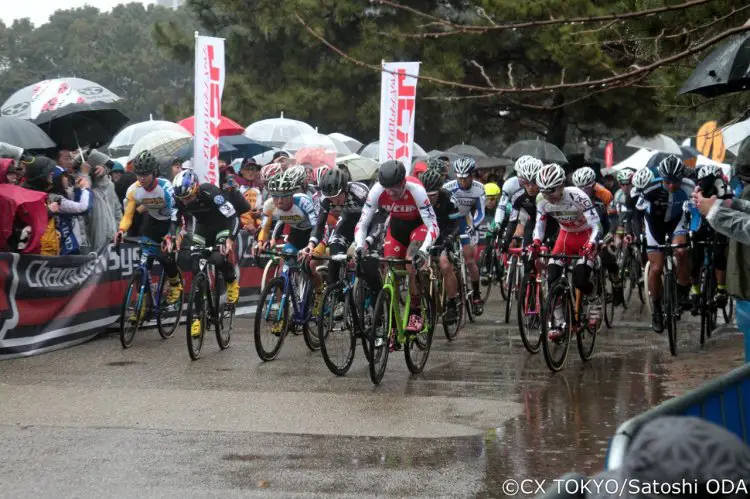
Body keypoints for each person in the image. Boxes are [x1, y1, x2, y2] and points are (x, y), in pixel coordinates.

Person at [354, 160, 439, 334]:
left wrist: (423, 250)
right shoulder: (377, 191)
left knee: (410, 263)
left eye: (394, 188)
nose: (390, 192)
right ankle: (392, 321)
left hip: (419, 226)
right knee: (388, 268)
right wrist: (359, 245)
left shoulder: (417, 190)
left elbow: (433, 225)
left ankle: (415, 312)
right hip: (397, 227)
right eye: (387, 188)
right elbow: (362, 223)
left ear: (403, 183)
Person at [168, 169, 242, 337]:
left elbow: (234, 217)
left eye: (188, 197)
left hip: (223, 226)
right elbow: (174, 220)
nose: (185, 202)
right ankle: (198, 317)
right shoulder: (179, 197)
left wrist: (230, 239)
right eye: (182, 199)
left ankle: (231, 280)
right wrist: (173, 237)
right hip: (203, 229)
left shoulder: (211, 193)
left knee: (217, 258)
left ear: (195, 189)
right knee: (196, 267)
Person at [532, 163, 602, 338]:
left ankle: (593, 300)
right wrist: (536, 242)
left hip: (586, 235)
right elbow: (539, 225)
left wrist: (592, 243)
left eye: (552, 191)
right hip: (565, 237)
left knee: (579, 279)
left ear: (562, 185)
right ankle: (560, 323)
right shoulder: (541, 200)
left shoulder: (577, 196)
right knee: (552, 277)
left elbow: (597, 225)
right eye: (544, 191)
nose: (548, 196)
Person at [632, 156, 694, 333]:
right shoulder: (651, 187)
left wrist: (694, 230)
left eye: (676, 182)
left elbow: (697, 210)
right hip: (654, 226)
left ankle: (683, 290)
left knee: (682, 251)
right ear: (662, 177)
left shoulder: (689, 187)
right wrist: (638, 235)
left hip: (676, 223)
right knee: (657, 268)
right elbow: (637, 215)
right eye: (668, 181)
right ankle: (657, 310)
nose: (672, 185)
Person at [115, 150, 182, 306]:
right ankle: (142, 304)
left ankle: (174, 283)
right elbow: (128, 215)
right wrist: (121, 230)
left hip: (173, 222)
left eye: (145, 174)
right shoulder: (133, 190)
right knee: (144, 261)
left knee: (165, 254)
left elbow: (176, 213)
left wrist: (171, 235)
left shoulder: (166, 187)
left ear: (154, 172)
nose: (142, 178)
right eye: (139, 174)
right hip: (154, 221)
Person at [302, 167, 381, 295]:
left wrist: (368, 241)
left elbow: (377, 220)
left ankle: (377, 298)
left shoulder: (360, 193)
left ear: (345, 188)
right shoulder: (326, 198)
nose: (334, 201)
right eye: (330, 198)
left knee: (368, 266)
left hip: (368, 222)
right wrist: (311, 245)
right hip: (348, 220)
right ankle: (338, 300)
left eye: (337, 196)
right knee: (334, 256)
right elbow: (320, 224)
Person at [256, 167, 321, 317]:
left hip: (313, 234)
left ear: (292, 194)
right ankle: (282, 312)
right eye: (275, 196)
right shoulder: (269, 205)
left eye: (284, 196)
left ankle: (319, 292)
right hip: (296, 234)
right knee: (282, 271)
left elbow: (317, 226)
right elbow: (265, 228)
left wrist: (311, 245)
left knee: (309, 266)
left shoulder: (304, 201)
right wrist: (261, 242)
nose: (279, 200)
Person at [572, 166, 623, 305]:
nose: (582, 192)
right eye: (579, 188)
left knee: (606, 257)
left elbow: (613, 218)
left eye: (586, 188)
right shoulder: (572, 194)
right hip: (584, 228)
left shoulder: (605, 194)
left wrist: (611, 234)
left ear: (594, 185)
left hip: (603, 226)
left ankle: (617, 283)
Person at [443, 157, 487, 314]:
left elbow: (481, 212)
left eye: (465, 177)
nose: (462, 181)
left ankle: (476, 294)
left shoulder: (479, 188)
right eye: (459, 177)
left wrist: (473, 226)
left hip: (465, 221)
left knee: (469, 259)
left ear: (472, 175)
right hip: (450, 222)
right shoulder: (447, 187)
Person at [687, 164, 732, 313]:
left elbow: (728, 205)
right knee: (695, 259)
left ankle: (720, 289)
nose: (701, 183)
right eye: (699, 181)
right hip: (702, 224)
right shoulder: (697, 190)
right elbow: (692, 214)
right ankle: (695, 290)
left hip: (720, 224)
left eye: (704, 180)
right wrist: (692, 232)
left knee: (719, 254)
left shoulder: (722, 186)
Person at [419, 168, 461, 324]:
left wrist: (450, 238)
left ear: (440, 190)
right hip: (427, 235)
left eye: (433, 196)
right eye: (426, 196)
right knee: (420, 267)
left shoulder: (449, 199)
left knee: (444, 265)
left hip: (444, 234)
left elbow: (457, 224)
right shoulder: (418, 198)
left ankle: (452, 303)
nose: (429, 200)